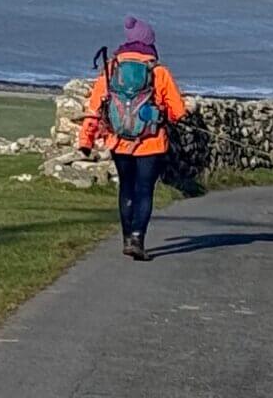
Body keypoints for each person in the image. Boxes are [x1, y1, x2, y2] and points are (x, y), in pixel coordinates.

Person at [78, 16, 191, 260]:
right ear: (150, 43)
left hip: (119, 142)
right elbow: (178, 112)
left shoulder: (111, 70)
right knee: (144, 191)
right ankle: (138, 238)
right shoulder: (158, 72)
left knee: (126, 187)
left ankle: (127, 236)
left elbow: (95, 108)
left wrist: (86, 141)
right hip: (151, 143)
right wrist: (162, 114)